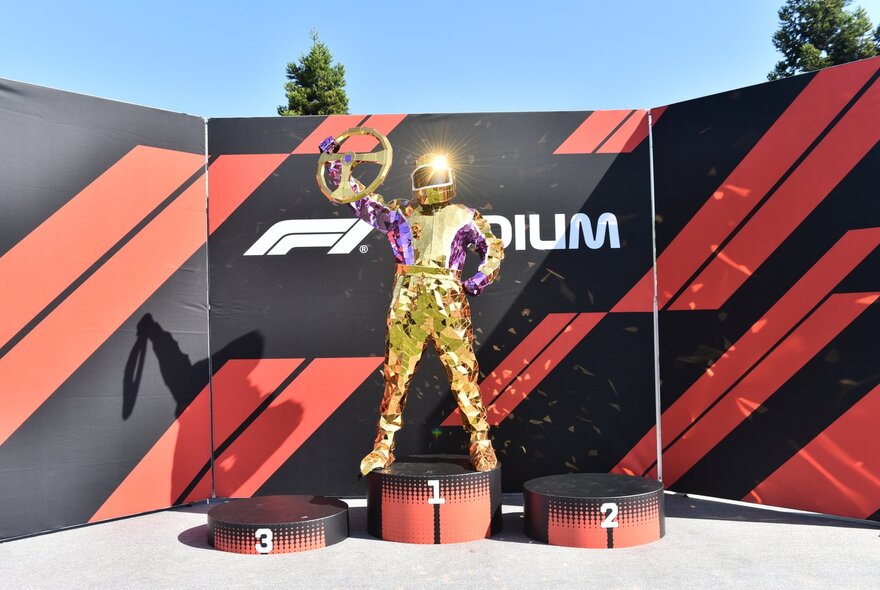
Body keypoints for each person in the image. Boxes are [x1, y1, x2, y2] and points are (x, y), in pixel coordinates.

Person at [320, 137, 504, 475]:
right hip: (408, 300)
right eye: (426, 177)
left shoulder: (463, 215)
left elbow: (492, 246)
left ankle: (481, 443)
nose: (431, 183)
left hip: (447, 300)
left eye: (435, 176)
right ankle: (384, 446)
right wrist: (337, 165)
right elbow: (361, 201)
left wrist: (481, 277)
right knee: (397, 376)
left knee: (463, 374)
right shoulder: (401, 212)